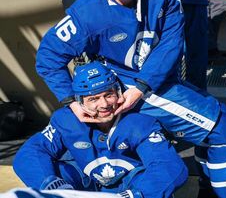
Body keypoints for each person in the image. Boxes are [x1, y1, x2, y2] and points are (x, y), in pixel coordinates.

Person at [35, 0, 226, 198]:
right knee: (221, 125)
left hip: (150, 82)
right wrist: (72, 101)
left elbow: (171, 44)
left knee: (214, 120)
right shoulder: (87, 12)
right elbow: (48, 56)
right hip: (123, 86)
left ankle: (208, 188)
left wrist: (143, 85)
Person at [13, 62, 188, 198]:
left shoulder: (140, 122)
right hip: (87, 186)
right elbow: (31, 152)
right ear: (79, 101)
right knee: (50, 175)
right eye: (93, 99)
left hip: (130, 189)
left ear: (118, 91)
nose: (103, 104)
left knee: (155, 181)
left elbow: (169, 165)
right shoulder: (65, 120)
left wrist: (138, 194)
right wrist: (50, 184)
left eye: (108, 94)